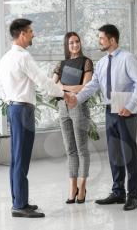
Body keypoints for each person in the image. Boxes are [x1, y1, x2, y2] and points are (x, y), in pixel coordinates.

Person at [66, 24, 137, 211]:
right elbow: (92, 86)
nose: (99, 41)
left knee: (128, 155)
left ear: (112, 40)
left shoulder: (127, 58)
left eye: (101, 38)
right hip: (110, 110)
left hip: (126, 111)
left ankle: (132, 195)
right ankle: (118, 192)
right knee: (114, 154)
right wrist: (75, 99)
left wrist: (131, 105)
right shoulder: (101, 63)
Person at [0, 18, 68, 218]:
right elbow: (42, 80)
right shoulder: (23, 57)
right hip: (23, 111)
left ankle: (19, 201)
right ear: (22, 34)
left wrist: (10, 99)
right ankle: (20, 205)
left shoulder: (4, 58)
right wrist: (63, 93)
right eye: (30, 31)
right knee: (22, 158)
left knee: (16, 158)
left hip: (13, 109)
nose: (33, 35)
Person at [52, 32, 93, 204]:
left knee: (82, 149)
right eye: (71, 43)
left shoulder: (86, 62)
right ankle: (72, 187)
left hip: (78, 107)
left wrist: (65, 88)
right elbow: (53, 84)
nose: (75, 45)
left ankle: (82, 187)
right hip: (63, 107)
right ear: (67, 46)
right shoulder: (61, 63)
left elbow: (85, 87)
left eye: (77, 42)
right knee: (70, 150)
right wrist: (68, 89)